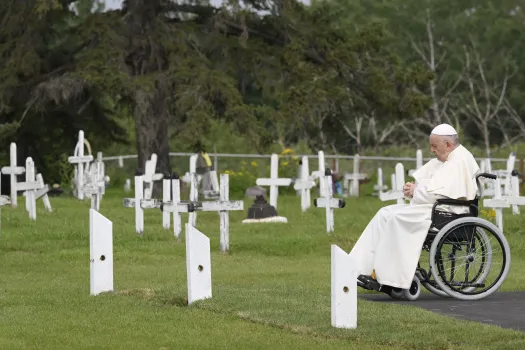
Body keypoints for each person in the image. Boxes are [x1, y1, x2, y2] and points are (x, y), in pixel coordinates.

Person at [350, 123, 480, 292]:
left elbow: (442, 194)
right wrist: (414, 188)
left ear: (447, 144)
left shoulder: (459, 161)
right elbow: (435, 185)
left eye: (434, 146)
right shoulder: (449, 158)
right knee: (385, 212)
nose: (432, 150)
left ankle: (389, 279)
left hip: (448, 212)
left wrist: (416, 191)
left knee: (397, 218)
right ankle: (356, 268)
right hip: (437, 207)